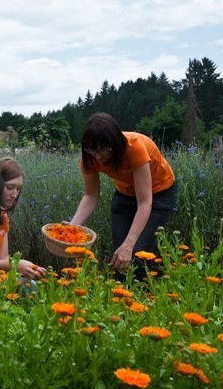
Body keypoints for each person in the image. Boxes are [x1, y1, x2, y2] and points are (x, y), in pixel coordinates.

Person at [69, 112, 177, 280]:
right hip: (125, 194)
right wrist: (72, 227)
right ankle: (121, 299)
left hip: (158, 194)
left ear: (115, 143)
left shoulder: (134, 147)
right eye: (92, 150)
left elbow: (144, 201)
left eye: (103, 150)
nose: (98, 157)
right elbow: (90, 196)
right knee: (119, 255)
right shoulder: (88, 158)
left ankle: (148, 295)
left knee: (136, 252)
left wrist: (129, 244)